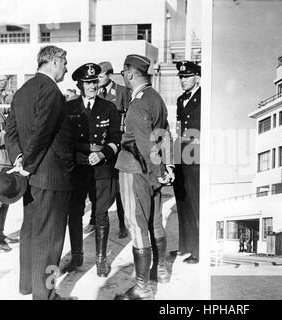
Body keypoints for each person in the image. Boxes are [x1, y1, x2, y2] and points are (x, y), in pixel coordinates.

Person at [5, 45, 75, 300]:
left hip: (31, 177)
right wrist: (28, 165)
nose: (66, 68)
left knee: (31, 232)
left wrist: (19, 161)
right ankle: (45, 295)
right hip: (51, 177)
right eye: (65, 63)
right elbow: (42, 133)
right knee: (52, 239)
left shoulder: (22, 90)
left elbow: (10, 132)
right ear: (54, 61)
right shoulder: (52, 92)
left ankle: (27, 286)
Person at [115, 54, 173, 300]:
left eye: (124, 74)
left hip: (135, 169)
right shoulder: (156, 98)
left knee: (137, 225)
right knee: (155, 222)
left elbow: (143, 143)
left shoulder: (138, 103)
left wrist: (157, 172)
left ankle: (142, 288)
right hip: (155, 170)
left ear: (129, 73)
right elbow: (166, 135)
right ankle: (160, 271)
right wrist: (168, 167)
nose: (124, 78)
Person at [62, 63, 121, 277]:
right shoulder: (69, 108)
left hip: (102, 169)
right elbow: (64, 140)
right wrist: (73, 155)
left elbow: (116, 139)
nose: (92, 86)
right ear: (79, 84)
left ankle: (100, 261)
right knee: (75, 213)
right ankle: (77, 258)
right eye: (87, 83)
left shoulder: (109, 108)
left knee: (101, 214)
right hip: (77, 169)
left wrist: (103, 153)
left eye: (94, 82)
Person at [79, 61, 128, 239]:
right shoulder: (91, 95)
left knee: (116, 189)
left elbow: (126, 119)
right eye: (93, 79)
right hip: (94, 150)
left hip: (113, 148)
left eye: (100, 77)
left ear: (109, 75)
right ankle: (94, 219)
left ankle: (123, 223)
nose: (96, 81)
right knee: (95, 193)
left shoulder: (122, 92)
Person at [172, 60, 201, 264]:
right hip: (181, 156)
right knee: (183, 202)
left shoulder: (204, 98)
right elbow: (178, 130)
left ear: (197, 77)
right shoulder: (180, 99)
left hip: (197, 158)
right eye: (181, 77)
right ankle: (185, 246)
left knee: (196, 203)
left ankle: (198, 250)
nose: (183, 80)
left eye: (187, 77)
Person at [0, 75, 19, 253]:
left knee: (4, 199)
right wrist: (10, 130)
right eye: (0, 90)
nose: (2, 94)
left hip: (3, 161)